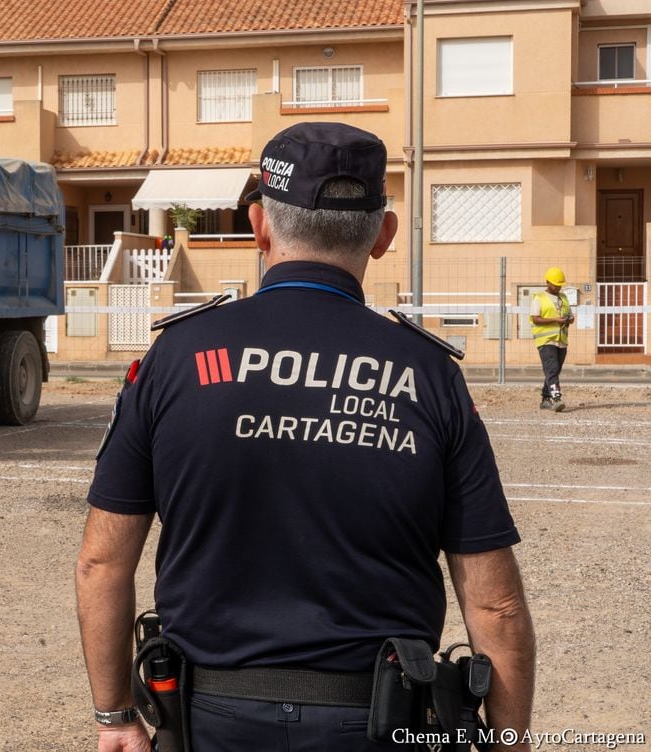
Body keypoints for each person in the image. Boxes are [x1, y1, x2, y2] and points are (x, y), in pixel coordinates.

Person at [76, 122, 535, 752]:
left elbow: (103, 561)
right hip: (377, 720)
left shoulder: (175, 357)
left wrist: (114, 717)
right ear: (383, 235)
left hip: (210, 718)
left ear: (259, 224)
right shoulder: (429, 375)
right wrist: (509, 741)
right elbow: (496, 605)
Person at [529, 267, 573, 412]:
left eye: (560, 284)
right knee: (552, 368)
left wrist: (569, 319)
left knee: (554, 370)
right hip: (546, 340)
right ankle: (556, 398)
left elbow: (569, 314)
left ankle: (545, 399)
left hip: (561, 340)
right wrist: (555, 320)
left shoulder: (564, 298)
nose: (558, 287)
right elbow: (535, 319)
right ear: (548, 282)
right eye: (555, 284)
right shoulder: (539, 298)